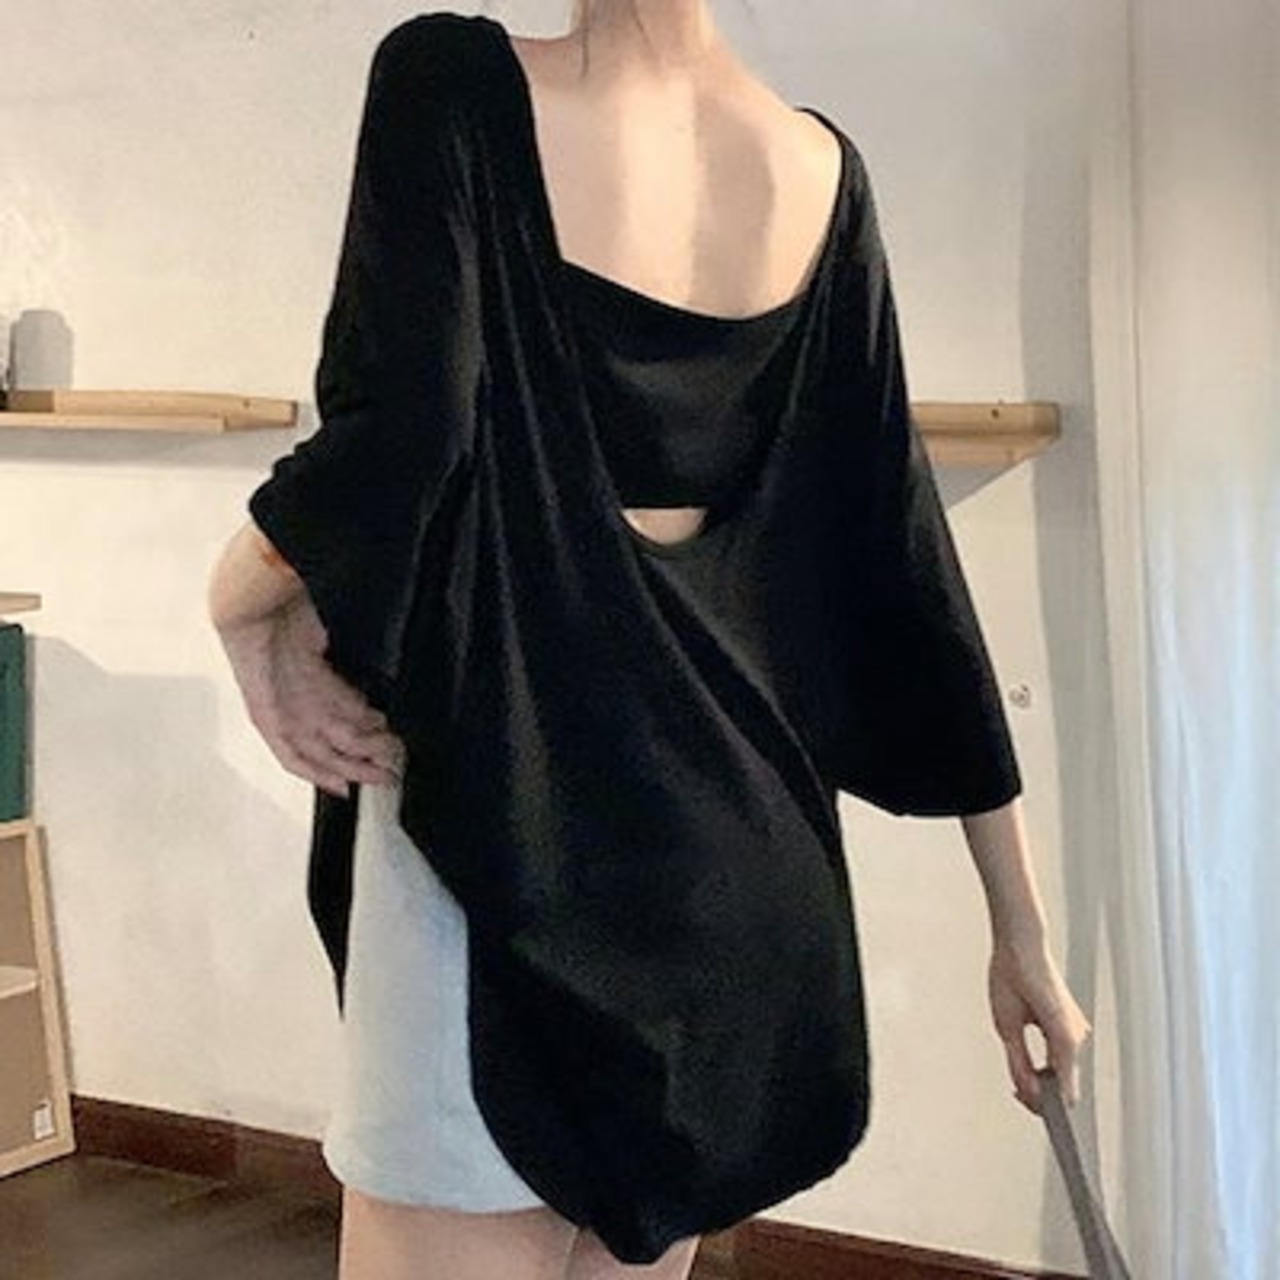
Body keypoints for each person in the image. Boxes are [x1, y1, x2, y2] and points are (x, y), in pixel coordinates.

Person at [207, 3, 1092, 1278]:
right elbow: (902, 564)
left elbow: (397, 431)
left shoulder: (450, 83)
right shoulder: (816, 173)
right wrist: (1021, 933)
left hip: (508, 844)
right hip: (732, 879)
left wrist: (236, 600)